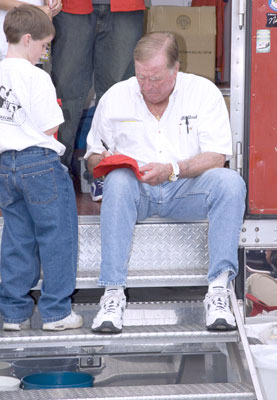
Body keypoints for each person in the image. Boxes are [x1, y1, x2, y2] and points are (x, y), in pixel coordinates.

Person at [85, 31, 246, 334]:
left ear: (176, 68)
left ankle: (218, 290)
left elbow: (216, 157)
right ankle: (113, 294)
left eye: (156, 78)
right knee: (117, 181)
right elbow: (92, 154)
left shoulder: (203, 92)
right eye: (141, 77)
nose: (148, 86)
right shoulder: (117, 95)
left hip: (186, 188)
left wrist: (172, 169)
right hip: (137, 190)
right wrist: (103, 161)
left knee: (231, 183)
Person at [0, 4, 83, 331]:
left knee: (17, 238)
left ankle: (14, 314)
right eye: (44, 46)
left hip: (5, 166)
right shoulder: (37, 77)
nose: (44, 53)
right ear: (29, 39)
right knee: (57, 236)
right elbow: (51, 128)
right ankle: (57, 312)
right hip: (40, 164)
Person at [51, 0, 145, 196]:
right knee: (65, 93)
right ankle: (54, 173)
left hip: (125, 6)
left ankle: (107, 172)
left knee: (118, 94)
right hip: (70, 6)